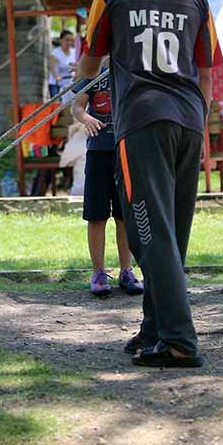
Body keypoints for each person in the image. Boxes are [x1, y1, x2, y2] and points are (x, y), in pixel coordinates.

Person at [78, 0, 222, 369]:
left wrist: (79, 94)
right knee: (171, 235)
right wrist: (198, 116)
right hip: (189, 122)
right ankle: (154, 330)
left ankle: (180, 340)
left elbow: (88, 62)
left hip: (141, 123)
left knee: (147, 234)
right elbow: (206, 72)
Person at [70, 66, 144, 298]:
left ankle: (127, 271)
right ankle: (99, 273)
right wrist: (86, 118)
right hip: (98, 153)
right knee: (96, 215)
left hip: (126, 152)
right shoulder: (94, 73)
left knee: (124, 215)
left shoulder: (132, 71)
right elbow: (77, 106)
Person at [49, 29, 77, 96]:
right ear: (61, 40)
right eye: (67, 40)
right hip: (57, 84)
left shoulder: (75, 52)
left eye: (71, 40)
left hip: (70, 83)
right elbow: (53, 69)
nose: (69, 42)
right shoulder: (55, 53)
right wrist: (56, 76)